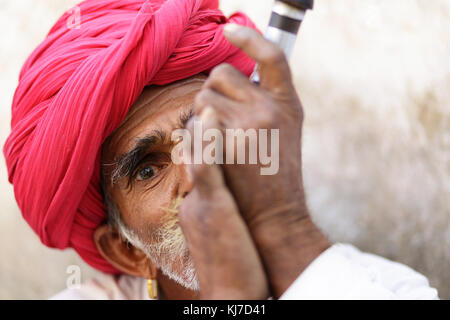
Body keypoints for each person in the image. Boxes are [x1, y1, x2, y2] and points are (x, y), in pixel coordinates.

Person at [4, 0, 438, 300]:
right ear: (128, 251)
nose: (196, 166)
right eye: (148, 170)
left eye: (206, 127)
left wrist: (282, 227)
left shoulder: (383, 286)